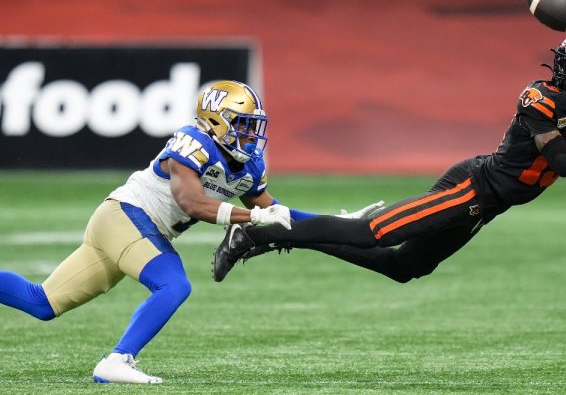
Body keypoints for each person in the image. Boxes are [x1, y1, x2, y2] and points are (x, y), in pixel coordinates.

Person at [211, 30, 566, 286]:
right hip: (472, 187)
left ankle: (278, 237)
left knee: (402, 268)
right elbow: (557, 160)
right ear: (563, 66)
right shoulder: (541, 97)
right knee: (369, 233)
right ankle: (255, 231)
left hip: (489, 205)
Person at [0, 80, 379, 384]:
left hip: (130, 226)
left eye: (253, 127)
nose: (251, 135)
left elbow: (274, 212)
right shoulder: (192, 142)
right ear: (216, 121)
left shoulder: (248, 165)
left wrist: (336, 220)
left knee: (42, 303)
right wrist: (250, 220)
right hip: (125, 216)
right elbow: (193, 203)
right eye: (243, 125)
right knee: (174, 284)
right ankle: (117, 360)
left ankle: (116, 360)